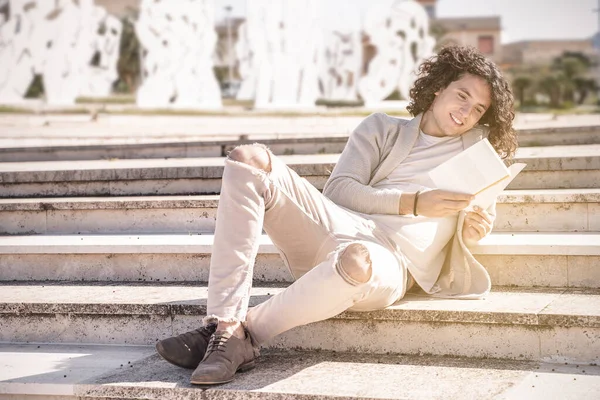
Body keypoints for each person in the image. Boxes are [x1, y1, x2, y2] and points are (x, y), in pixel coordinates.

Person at [155, 45, 517, 385]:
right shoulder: (381, 129)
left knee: (357, 261)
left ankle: (233, 333)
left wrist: (473, 230)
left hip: (393, 262)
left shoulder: (478, 153)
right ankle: (225, 318)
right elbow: (340, 190)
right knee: (248, 160)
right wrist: (414, 202)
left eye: (479, 108)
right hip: (336, 226)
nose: (466, 112)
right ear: (439, 88)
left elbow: (478, 218)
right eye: (462, 96)